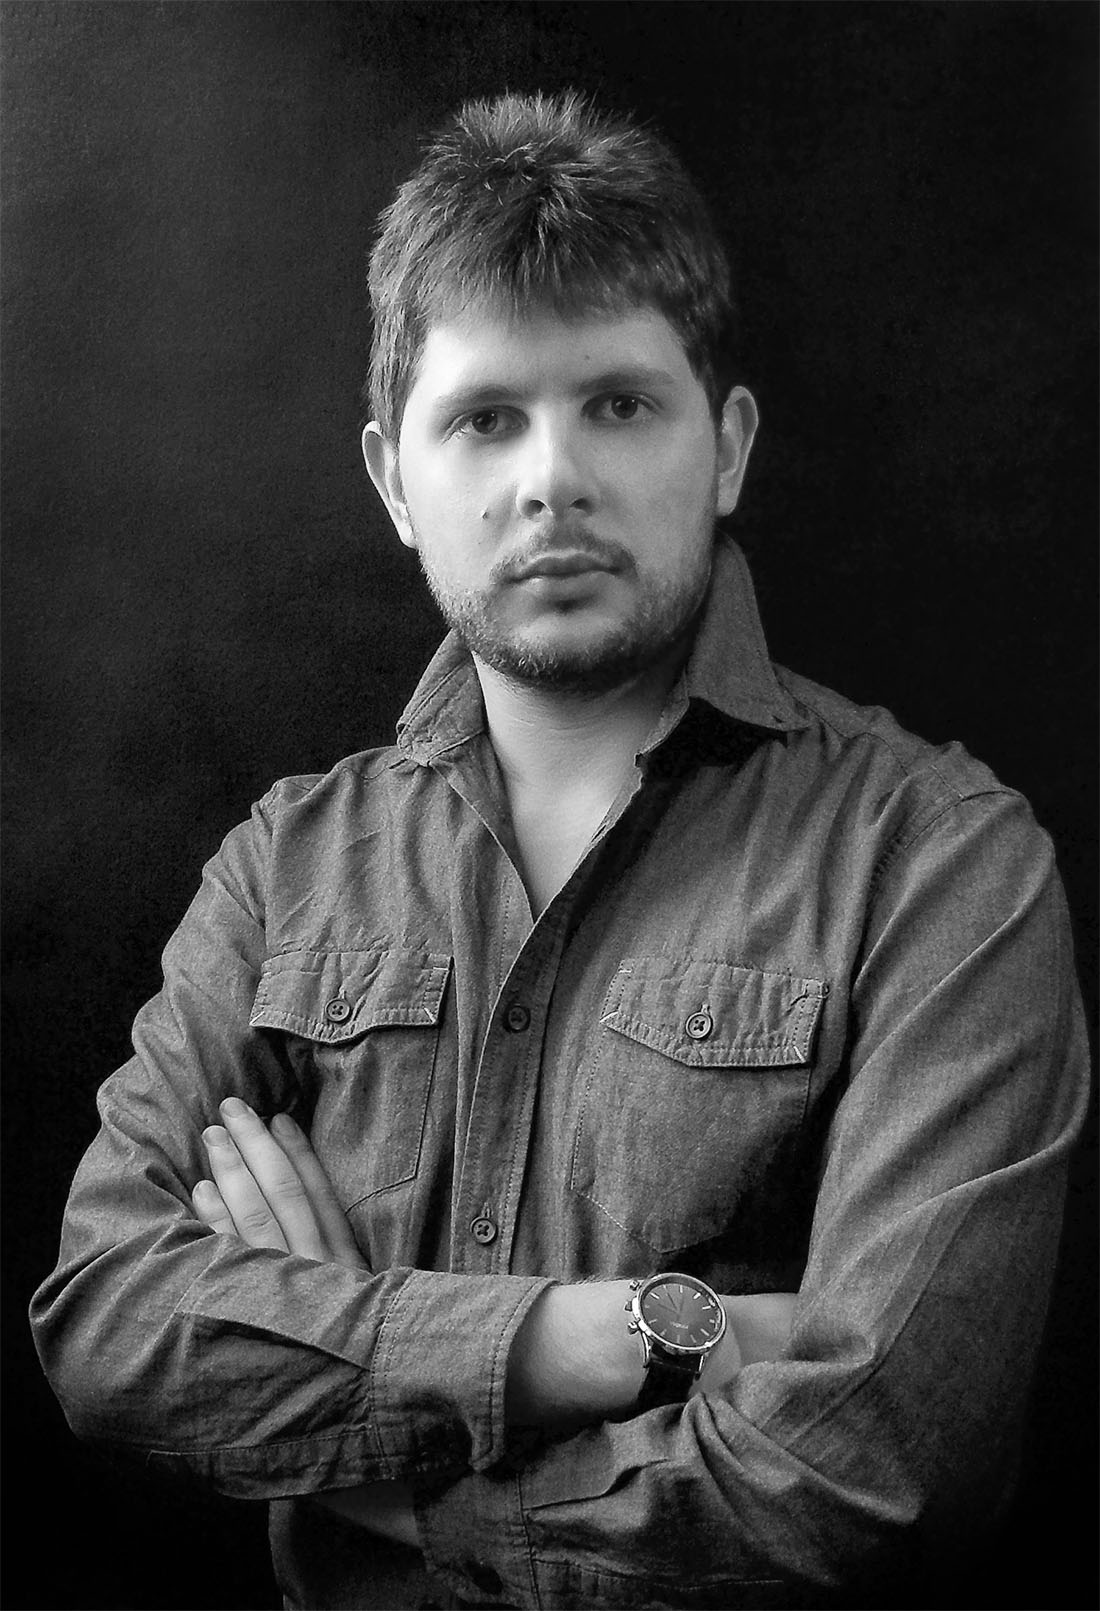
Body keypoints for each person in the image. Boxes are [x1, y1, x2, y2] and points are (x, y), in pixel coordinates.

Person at [30, 90, 1088, 1611]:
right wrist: (585, 1342)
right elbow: (104, 1321)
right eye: (485, 419)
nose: (551, 479)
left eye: (620, 405)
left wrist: (378, 1463)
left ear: (726, 448)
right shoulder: (285, 866)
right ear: (395, 481)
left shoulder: (940, 867)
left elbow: (881, 1471)